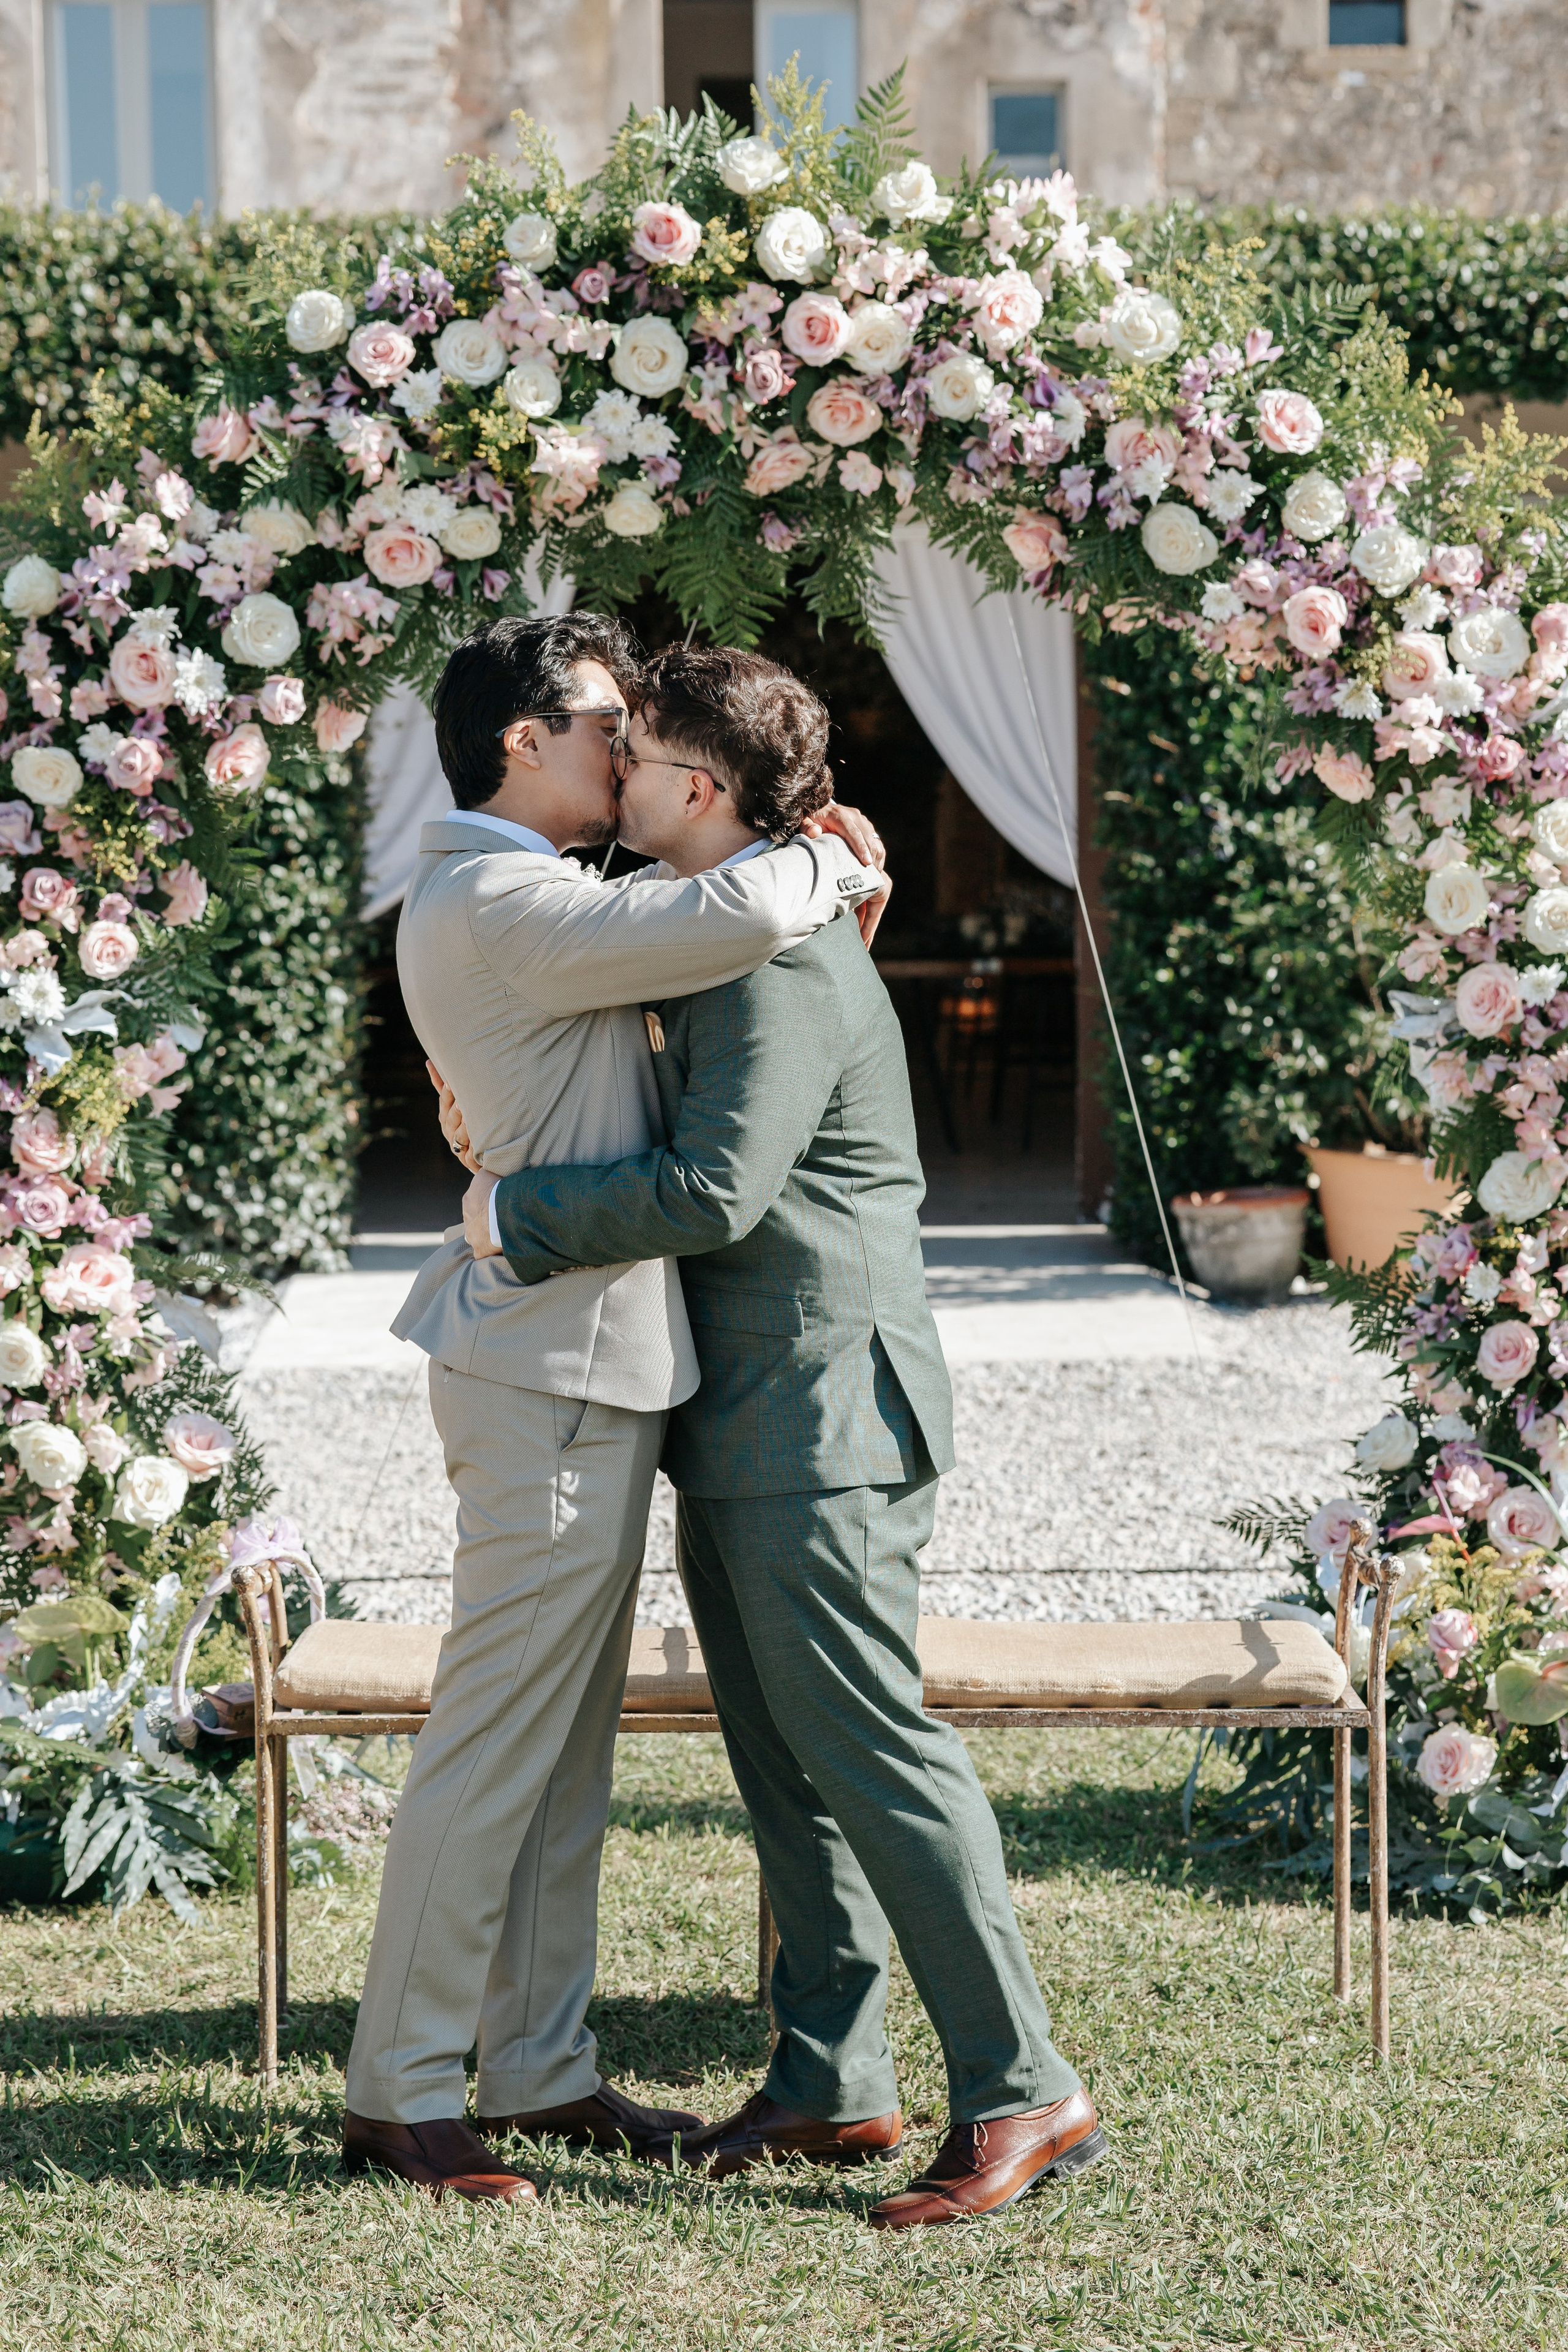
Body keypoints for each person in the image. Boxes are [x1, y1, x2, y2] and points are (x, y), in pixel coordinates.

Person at [454, 645, 1104, 2229]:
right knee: (787, 1765)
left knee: (879, 1756)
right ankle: (833, 2082)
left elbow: (710, 1195)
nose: (610, 777)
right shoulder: (730, 921)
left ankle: (1023, 2089)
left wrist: (504, 1211)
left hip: (822, 1408)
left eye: (637, 754)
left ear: (697, 790)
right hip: (747, 1412)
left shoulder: (769, 957)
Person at [342, 614, 886, 2204]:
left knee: (561, 1746)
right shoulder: (497, 892)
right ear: (524, 741)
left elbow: (678, 920)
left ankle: (539, 2068)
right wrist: (825, 852)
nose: (629, 747)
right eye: (603, 725)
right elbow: (725, 917)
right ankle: (401, 2090)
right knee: (494, 1741)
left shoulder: (527, 892)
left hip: (574, 1362)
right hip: (546, 1371)